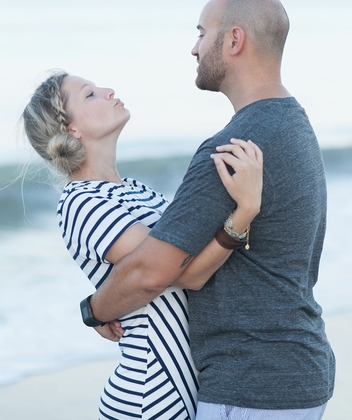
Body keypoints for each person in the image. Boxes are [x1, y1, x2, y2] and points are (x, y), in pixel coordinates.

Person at [86, 0, 335, 420]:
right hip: (296, 372)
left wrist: (95, 309)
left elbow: (151, 272)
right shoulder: (292, 122)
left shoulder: (233, 149)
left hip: (251, 384)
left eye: (202, 33)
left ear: (234, 40)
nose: (194, 48)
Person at [21, 70, 263, 419]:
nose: (108, 91)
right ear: (71, 129)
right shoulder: (81, 202)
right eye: (90, 94)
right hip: (150, 393)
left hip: (186, 386)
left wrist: (96, 308)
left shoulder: (134, 189)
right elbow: (182, 273)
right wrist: (245, 211)